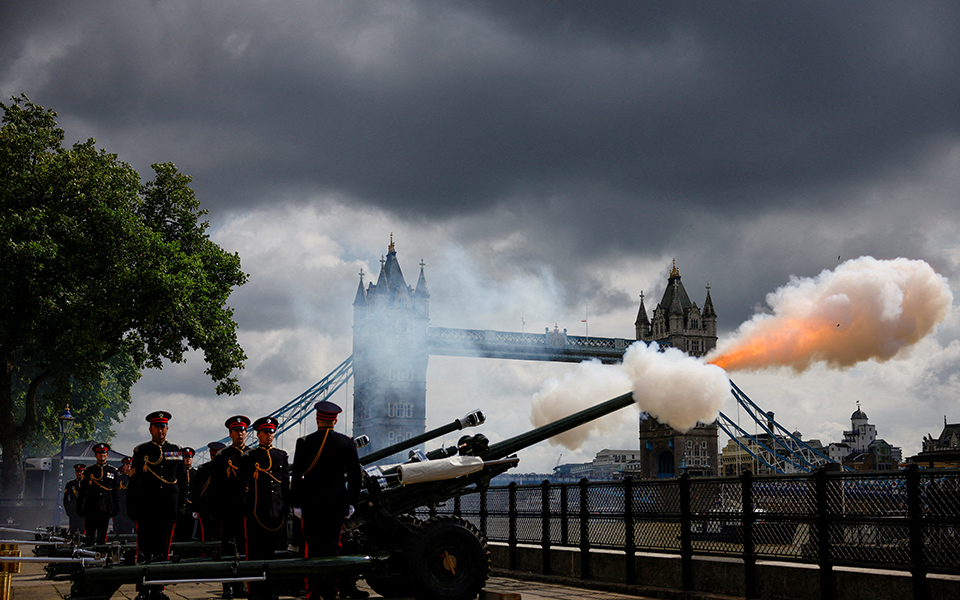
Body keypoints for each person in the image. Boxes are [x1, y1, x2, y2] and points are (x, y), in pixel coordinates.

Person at [290, 401, 361, 600]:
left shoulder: (304, 442)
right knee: (333, 549)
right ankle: (330, 592)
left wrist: (296, 503)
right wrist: (351, 503)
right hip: (336, 507)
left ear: (317, 419)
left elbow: (296, 475)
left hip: (310, 506)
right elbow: (356, 476)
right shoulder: (346, 442)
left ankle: (313, 592)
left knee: (311, 549)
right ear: (335, 420)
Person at [128, 410, 187, 600]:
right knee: (144, 548)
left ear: (167, 429)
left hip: (168, 507)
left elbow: (182, 481)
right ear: (150, 429)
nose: (160, 431)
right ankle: (143, 589)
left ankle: (158, 588)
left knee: (163, 548)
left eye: (163, 427)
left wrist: (182, 504)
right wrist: (132, 506)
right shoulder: (141, 451)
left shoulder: (176, 450)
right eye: (157, 427)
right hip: (146, 507)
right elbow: (134, 481)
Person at [241, 417, 289, 600]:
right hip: (256, 510)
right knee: (254, 552)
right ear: (258, 434)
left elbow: (284, 484)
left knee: (272, 552)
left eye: (271, 432)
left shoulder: (281, 455)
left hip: (276, 511)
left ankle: (270, 588)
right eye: (265, 432)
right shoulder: (250, 457)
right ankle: (255, 590)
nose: (269, 435)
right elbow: (243, 484)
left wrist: (286, 507)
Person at [213, 415, 250, 599]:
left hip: (248, 508)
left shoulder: (253, 453)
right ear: (230, 434)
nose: (240, 434)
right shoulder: (223, 456)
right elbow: (217, 484)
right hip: (229, 508)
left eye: (243, 430)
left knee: (244, 548)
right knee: (227, 548)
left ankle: (241, 584)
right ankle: (227, 585)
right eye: (236, 431)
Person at [77, 443, 120, 545]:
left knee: (102, 535)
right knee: (89, 536)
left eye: (104, 453)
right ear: (95, 455)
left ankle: (101, 556)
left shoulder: (112, 471)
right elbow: (83, 491)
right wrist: (79, 507)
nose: (102, 455)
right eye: (99, 453)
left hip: (105, 508)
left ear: (107, 455)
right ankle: (88, 556)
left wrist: (116, 507)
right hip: (91, 508)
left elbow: (115, 491)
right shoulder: (89, 471)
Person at [193, 441, 225, 542]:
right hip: (207, 507)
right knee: (206, 535)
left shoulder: (225, 468)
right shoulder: (203, 469)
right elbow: (197, 489)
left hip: (219, 506)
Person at [174, 447, 198, 541]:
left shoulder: (196, 473)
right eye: (185, 457)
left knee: (190, 532)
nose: (188, 459)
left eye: (190, 457)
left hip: (191, 508)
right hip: (179, 507)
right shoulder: (176, 473)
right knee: (179, 533)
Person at [114, 457, 136, 535]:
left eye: (130, 464)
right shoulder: (119, 479)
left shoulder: (135, 478)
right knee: (122, 529)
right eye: (127, 464)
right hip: (122, 507)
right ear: (124, 466)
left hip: (133, 507)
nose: (129, 466)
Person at [63, 464, 86, 536]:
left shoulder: (88, 483)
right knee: (73, 531)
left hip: (84, 511)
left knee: (83, 530)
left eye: (81, 471)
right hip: (74, 511)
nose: (79, 473)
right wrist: (68, 510)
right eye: (77, 472)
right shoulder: (70, 484)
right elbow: (66, 499)